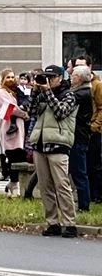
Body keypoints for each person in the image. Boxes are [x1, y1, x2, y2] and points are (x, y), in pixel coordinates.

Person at [28, 64, 78, 238]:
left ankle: (69, 223)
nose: (47, 80)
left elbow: (60, 112)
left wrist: (47, 91)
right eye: (45, 77)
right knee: (45, 187)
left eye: (51, 77)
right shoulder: (42, 94)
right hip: (40, 145)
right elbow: (31, 112)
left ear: (60, 77)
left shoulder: (69, 95)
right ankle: (52, 223)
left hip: (58, 145)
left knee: (62, 186)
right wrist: (35, 91)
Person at [0, 69, 31, 197]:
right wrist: (24, 114)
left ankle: (13, 184)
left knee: (19, 156)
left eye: (12, 77)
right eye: (7, 77)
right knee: (12, 156)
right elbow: (11, 108)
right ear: (2, 79)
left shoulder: (17, 92)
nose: (10, 79)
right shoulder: (1, 93)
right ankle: (14, 186)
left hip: (19, 128)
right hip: (8, 127)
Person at [73, 55, 102, 205]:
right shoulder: (76, 88)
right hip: (84, 130)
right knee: (84, 166)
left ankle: (96, 195)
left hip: (92, 131)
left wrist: (95, 126)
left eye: (81, 65)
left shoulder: (96, 85)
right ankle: (89, 196)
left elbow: (100, 107)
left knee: (93, 164)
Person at [69, 64, 94, 212]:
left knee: (79, 172)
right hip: (79, 136)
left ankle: (84, 205)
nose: (71, 78)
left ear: (78, 78)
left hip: (78, 137)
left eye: (72, 76)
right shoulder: (84, 91)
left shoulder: (81, 94)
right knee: (78, 171)